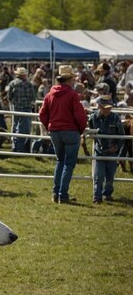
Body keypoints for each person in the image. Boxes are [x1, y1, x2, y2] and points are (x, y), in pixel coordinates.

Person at [39, 65, 87, 204]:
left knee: (60, 161)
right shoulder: (72, 95)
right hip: (70, 131)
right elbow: (80, 116)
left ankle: (56, 193)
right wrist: (80, 129)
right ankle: (63, 195)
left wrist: (50, 125)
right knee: (69, 163)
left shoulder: (49, 94)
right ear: (68, 80)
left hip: (55, 132)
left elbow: (42, 114)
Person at [88, 96, 125, 203]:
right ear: (99, 107)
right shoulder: (93, 118)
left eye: (109, 107)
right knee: (98, 176)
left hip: (112, 151)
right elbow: (90, 131)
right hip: (99, 151)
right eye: (105, 107)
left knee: (110, 175)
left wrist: (116, 147)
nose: (108, 109)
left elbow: (122, 136)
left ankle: (107, 194)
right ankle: (97, 197)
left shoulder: (115, 118)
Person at [7, 67, 36, 153]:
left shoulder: (12, 83)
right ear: (24, 75)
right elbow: (33, 98)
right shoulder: (29, 84)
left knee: (15, 126)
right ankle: (21, 146)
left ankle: (15, 145)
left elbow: (9, 97)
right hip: (26, 108)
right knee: (25, 128)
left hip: (16, 107)